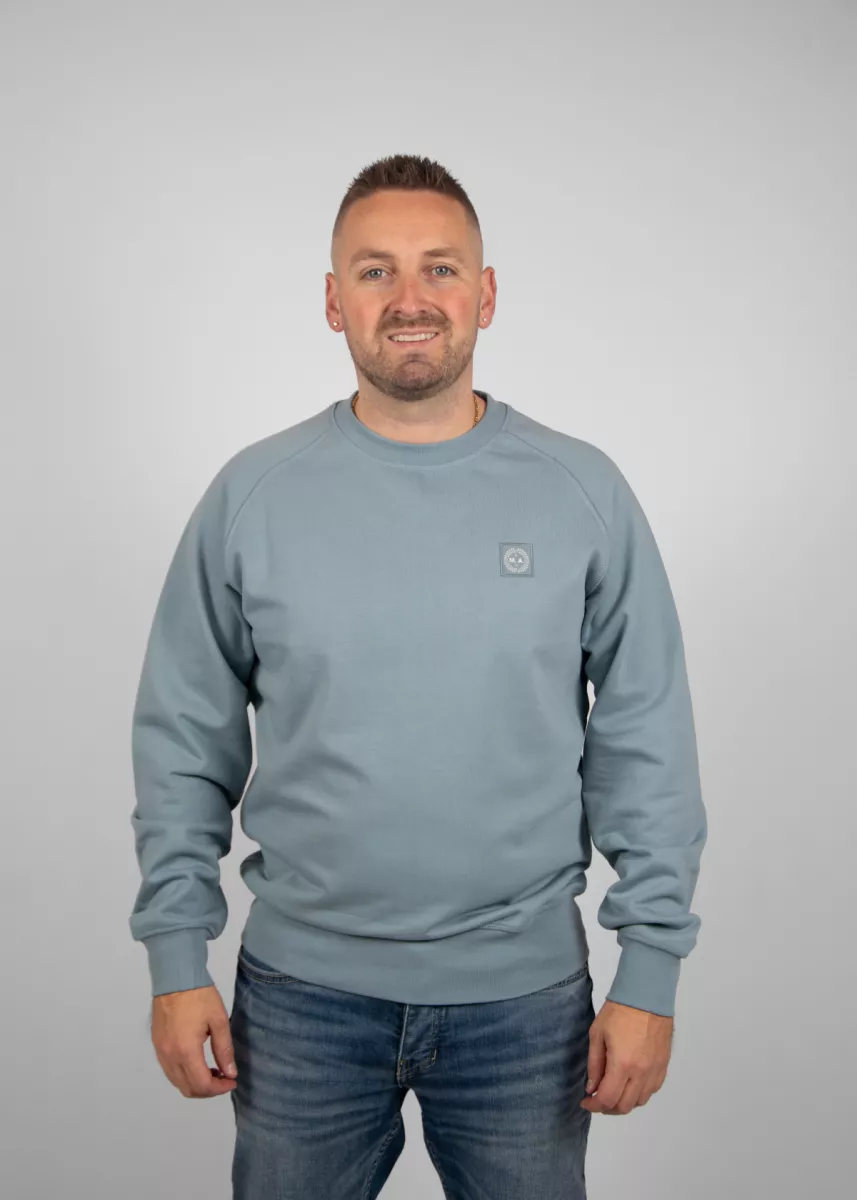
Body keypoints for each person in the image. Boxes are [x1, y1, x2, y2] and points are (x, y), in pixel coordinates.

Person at [129, 153, 707, 1199]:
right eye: (374, 271)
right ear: (331, 300)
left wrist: (649, 972)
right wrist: (176, 956)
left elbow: (644, 739)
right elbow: (182, 740)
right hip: (300, 1000)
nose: (409, 299)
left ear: (484, 294)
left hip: (524, 1006)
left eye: (440, 268)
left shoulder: (580, 493)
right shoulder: (254, 496)